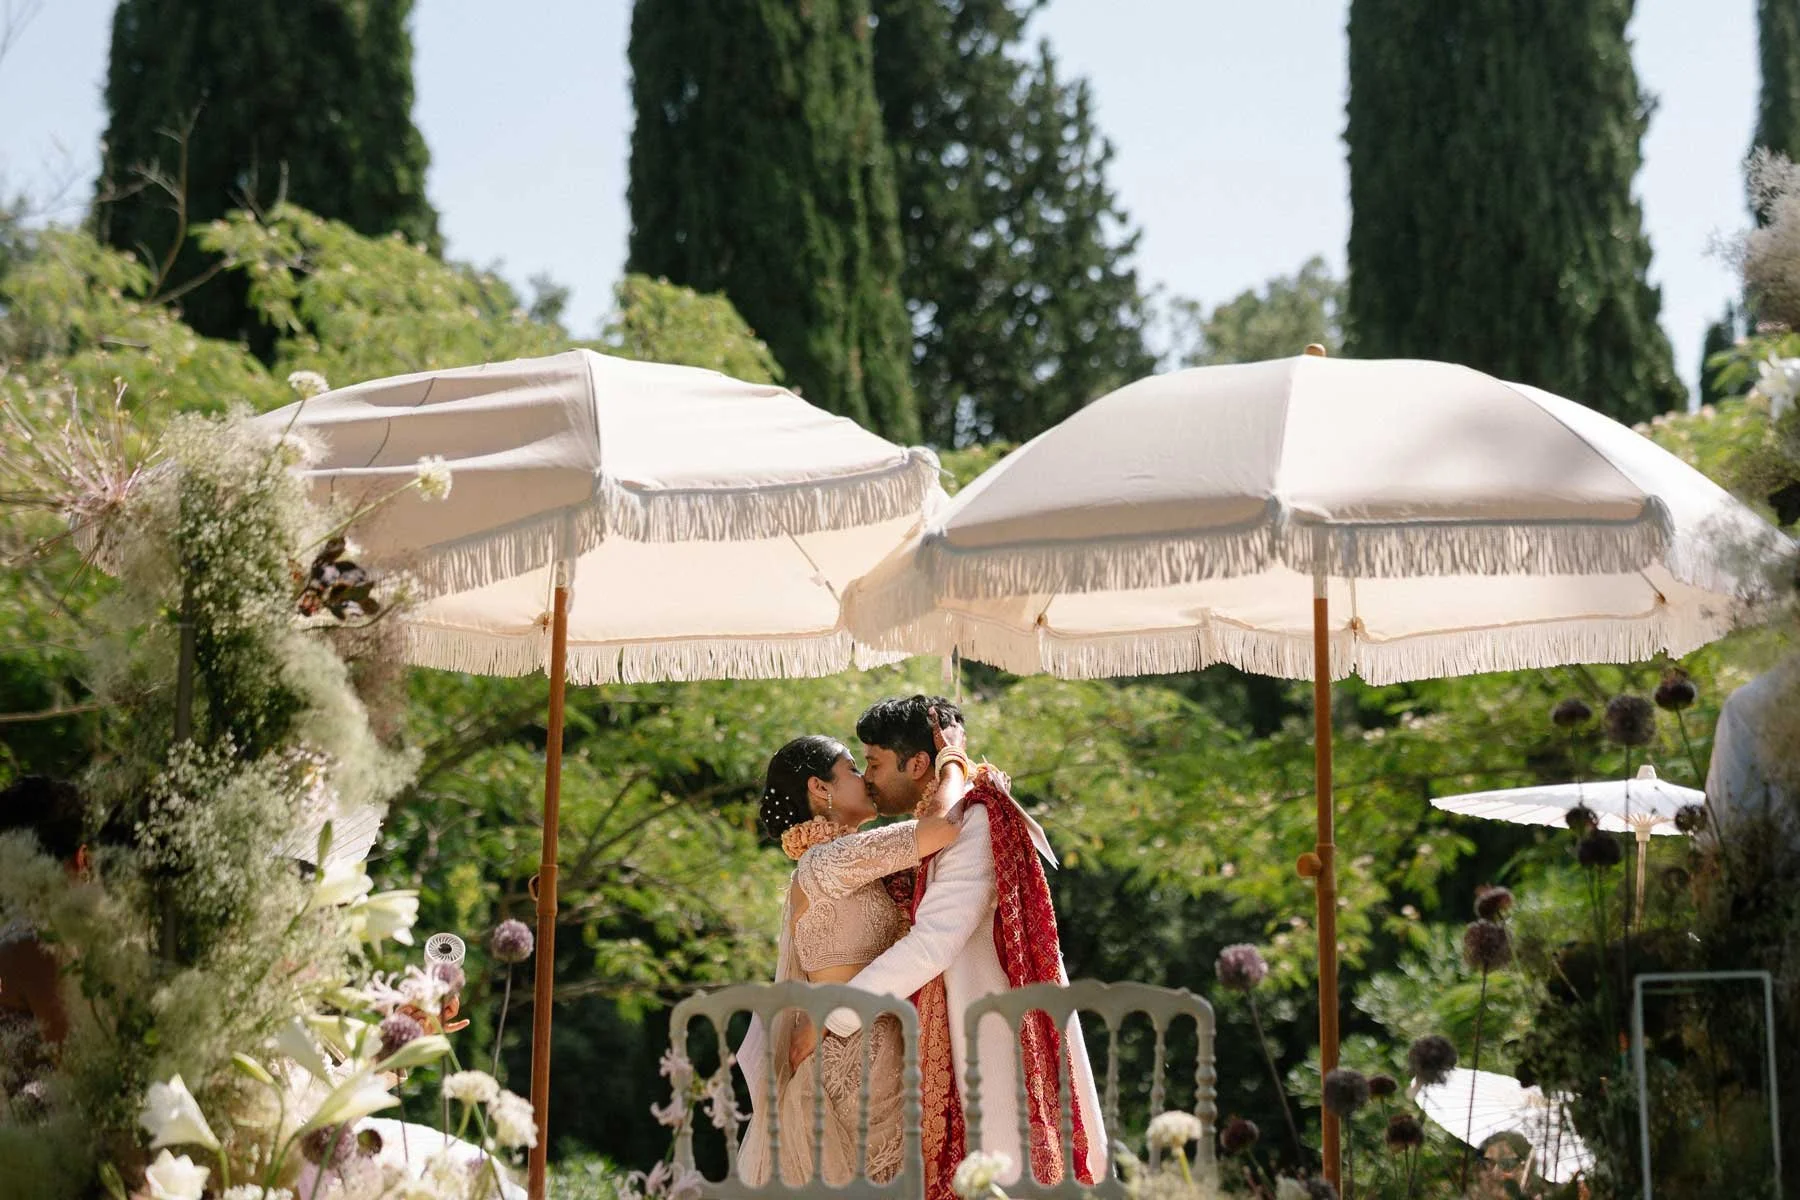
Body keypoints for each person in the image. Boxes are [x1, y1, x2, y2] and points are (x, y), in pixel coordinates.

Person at [829, 695, 1105, 1197]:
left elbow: (933, 942)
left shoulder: (972, 821)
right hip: (954, 1037)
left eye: (873, 763)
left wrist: (838, 1012)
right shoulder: (938, 821)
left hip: (992, 1046)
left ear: (917, 763)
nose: (866, 776)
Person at [736, 727, 970, 1187]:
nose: (864, 778)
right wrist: (954, 759)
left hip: (870, 1057)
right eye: (851, 768)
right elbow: (944, 826)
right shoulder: (828, 862)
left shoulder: (846, 861)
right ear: (820, 788)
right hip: (852, 1069)